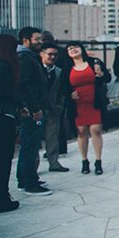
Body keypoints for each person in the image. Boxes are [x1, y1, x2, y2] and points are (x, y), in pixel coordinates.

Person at [61, 43, 111, 175]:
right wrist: (70, 94)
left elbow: (108, 78)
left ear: (81, 49)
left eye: (75, 47)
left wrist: (100, 74)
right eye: (69, 49)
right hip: (77, 105)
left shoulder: (94, 63)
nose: (73, 49)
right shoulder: (67, 69)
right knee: (81, 131)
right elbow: (63, 87)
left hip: (94, 102)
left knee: (96, 129)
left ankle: (98, 161)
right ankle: (84, 161)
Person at [16, 27, 52, 196]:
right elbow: (23, 85)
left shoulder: (28, 57)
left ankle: (25, 180)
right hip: (32, 111)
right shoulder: (25, 58)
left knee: (28, 145)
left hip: (32, 109)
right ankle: (30, 184)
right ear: (26, 41)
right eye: (37, 39)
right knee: (30, 146)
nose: (40, 42)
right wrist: (34, 108)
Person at [0, 34, 23, 213]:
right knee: (3, 160)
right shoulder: (4, 66)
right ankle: (2, 200)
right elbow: (6, 92)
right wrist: (21, 105)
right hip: (3, 118)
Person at [40, 44, 68, 172]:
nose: (53, 57)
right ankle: (32, 168)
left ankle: (54, 163)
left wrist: (59, 105)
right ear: (42, 54)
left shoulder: (59, 71)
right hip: (37, 109)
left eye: (55, 55)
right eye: (50, 54)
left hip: (53, 109)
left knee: (52, 137)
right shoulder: (36, 68)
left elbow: (62, 90)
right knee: (34, 141)